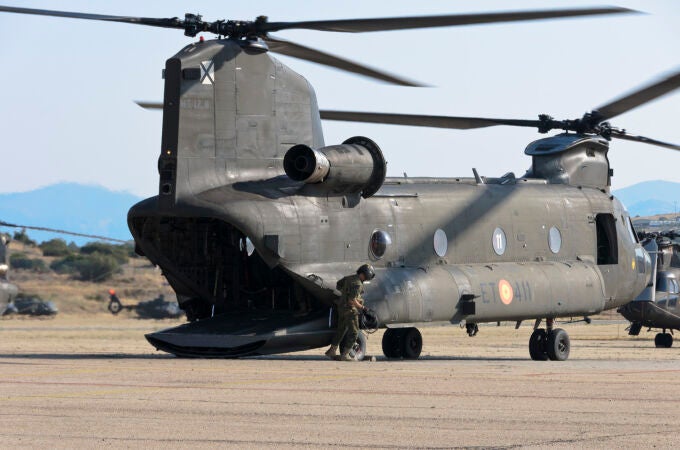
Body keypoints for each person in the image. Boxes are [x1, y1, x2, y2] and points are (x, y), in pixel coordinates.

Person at [325, 264, 375, 361]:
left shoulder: (349, 278)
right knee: (354, 332)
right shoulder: (358, 284)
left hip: (341, 308)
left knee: (341, 330)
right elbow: (352, 300)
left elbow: (338, 285)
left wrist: (345, 292)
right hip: (350, 310)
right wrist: (363, 308)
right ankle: (346, 354)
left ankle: (332, 350)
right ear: (365, 274)